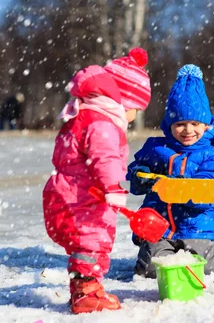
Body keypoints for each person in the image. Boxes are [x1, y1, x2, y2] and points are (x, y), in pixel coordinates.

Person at [42, 48, 151, 314]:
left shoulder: (85, 114)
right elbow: (105, 158)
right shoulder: (103, 124)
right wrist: (113, 187)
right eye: (136, 108)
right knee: (93, 240)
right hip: (86, 196)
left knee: (86, 242)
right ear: (124, 101)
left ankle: (84, 290)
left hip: (71, 192)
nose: (135, 115)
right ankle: (85, 293)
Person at [127, 64, 214, 279]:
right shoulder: (156, 148)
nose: (188, 130)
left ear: (206, 125)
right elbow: (135, 171)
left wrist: (180, 187)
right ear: (169, 124)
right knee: (149, 270)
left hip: (197, 226)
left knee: (211, 269)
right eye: (180, 124)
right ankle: (160, 250)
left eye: (195, 123)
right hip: (160, 228)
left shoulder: (213, 156)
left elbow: (211, 188)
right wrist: (141, 175)